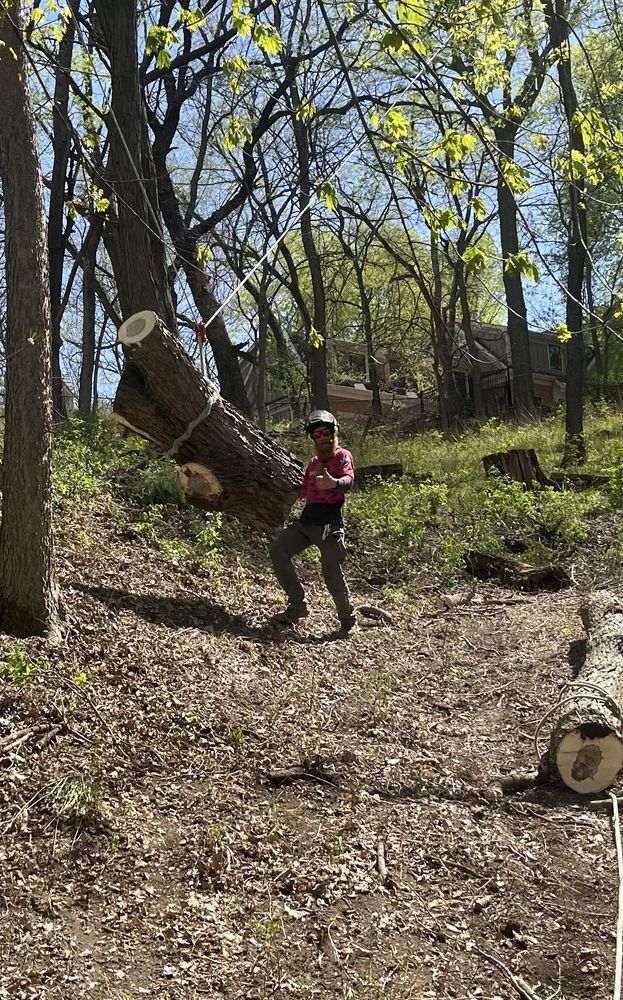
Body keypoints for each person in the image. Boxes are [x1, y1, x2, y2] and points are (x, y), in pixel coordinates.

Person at [270, 409, 356, 633]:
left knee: (331, 572)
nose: (323, 438)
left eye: (326, 432)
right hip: (307, 522)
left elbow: (348, 479)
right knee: (279, 550)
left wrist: (334, 483)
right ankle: (297, 605)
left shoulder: (342, 456)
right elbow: (302, 491)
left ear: (333, 433)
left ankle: (348, 619)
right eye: (317, 435)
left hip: (329, 525)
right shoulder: (313, 463)